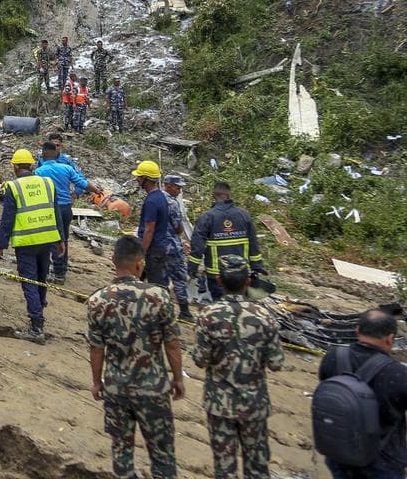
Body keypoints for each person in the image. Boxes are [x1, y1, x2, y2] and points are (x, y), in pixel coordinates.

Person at [87, 235, 184, 479]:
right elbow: (172, 344)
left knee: (121, 451)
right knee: (163, 456)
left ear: (113, 260)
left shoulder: (98, 300)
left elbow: (96, 348)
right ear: (140, 263)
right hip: (153, 390)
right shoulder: (159, 297)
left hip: (117, 389)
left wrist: (97, 382)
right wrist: (177, 378)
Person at [192, 254, 284, 479]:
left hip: (219, 405)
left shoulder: (207, 316)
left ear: (219, 281)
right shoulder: (265, 317)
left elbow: (199, 360)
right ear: (248, 282)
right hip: (254, 404)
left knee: (224, 467)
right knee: (258, 466)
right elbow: (276, 363)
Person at [317, 309, 407, 479]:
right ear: (390, 338)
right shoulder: (398, 374)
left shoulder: (333, 357)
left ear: (357, 330)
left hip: (338, 451)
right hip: (382, 461)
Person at [0, 149, 61, 344]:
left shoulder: (13, 187)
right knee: (41, 279)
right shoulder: (48, 183)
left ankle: (36, 326)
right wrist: (61, 240)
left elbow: (7, 219)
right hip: (47, 238)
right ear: (32, 165)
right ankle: (39, 311)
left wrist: (1, 245)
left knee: (29, 281)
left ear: (15, 166)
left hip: (26, 242)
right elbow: (56, 211)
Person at [34, 141, 97, 284]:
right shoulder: (66, 168)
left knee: (50, 239)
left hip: (50, 209)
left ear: (43, 155)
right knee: (63, 239)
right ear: (57, 154)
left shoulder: (39, 172)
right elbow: (82, 183)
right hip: (66, 209)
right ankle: (61, 272)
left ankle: (53, 271)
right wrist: (96, 190)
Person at [190, 182, 263, 300]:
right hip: (241, 273)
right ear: (229, 196)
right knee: (242, 305)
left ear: (213, 196)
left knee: (220, 308)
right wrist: (257, 266)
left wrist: (192, 267)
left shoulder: (207, 217)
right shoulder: (244, 215)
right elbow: (253, 243)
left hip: (217, 275)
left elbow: (197, 246)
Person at [132, 160, 171, 289]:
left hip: (153, 250)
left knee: (156, 286)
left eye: (139, 176)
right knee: (137, 281)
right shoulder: (160, 197)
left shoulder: (152, 202)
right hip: (158, 248)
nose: (137, 179)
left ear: (145, 179)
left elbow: (149, 230)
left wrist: (141, 253)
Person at [160, 175, 194, 320]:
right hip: (172, 248)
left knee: (161, 280)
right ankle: (185, 312)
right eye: (178, 187)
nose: (180, 191)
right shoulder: (172, 203)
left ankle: (160, 309)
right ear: (168, 185)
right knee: (179, 279)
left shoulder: (155, 199)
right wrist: (180, 239)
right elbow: (178, 227)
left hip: (159, 246)